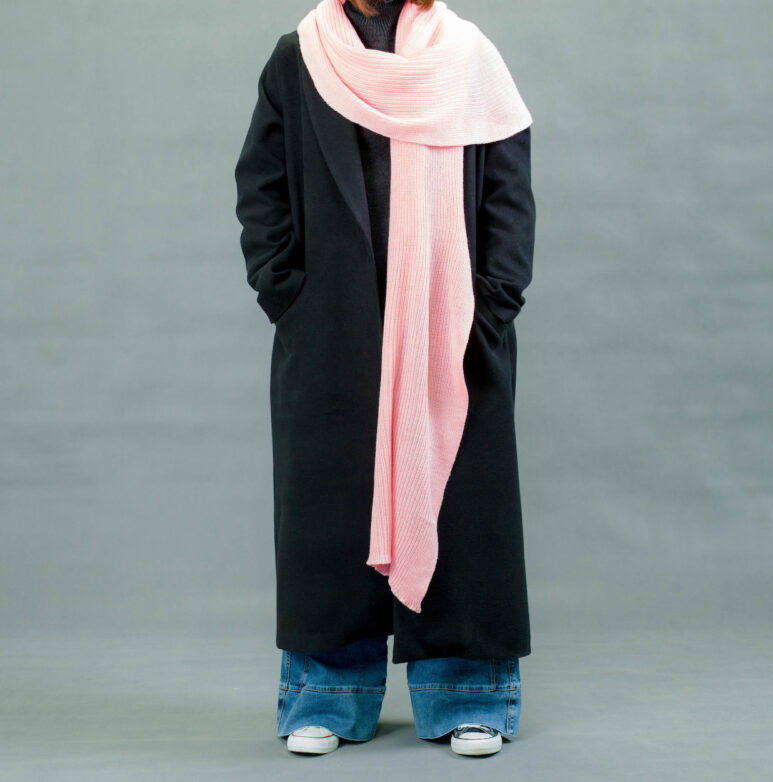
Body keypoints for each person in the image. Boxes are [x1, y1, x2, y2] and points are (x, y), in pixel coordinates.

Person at [234, 0, 536, 757]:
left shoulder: (468, 57)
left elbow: (508, 190)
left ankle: (469, 695)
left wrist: (490, 304)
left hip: (450, 326)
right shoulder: (298, 59)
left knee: (461, 512)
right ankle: (326, 696)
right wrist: (291, 299)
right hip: (333, 327)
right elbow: (261, 186)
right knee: (329, 515)